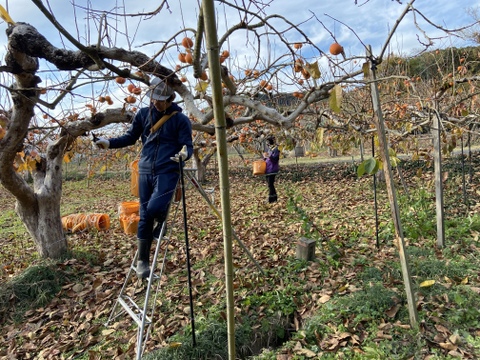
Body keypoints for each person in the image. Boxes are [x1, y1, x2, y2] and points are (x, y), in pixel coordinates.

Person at [94, 77, 193, 279]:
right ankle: (143, 263)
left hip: (168, 169)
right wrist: (108, 143)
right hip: (146, 170)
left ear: (170, 98)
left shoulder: (180, 120)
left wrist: (184, 154)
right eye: (153, 98)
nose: (156, 102)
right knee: (145, 215)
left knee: (155, 208)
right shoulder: (143, 114)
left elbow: (187, 145)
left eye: (160, 99)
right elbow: (130, 137)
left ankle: (161, 222)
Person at [263, 136, 280, 203]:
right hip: (268, 169)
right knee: (270, 184)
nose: (267, 144)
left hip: (272, 169)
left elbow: (275, 159)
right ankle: (274, 198)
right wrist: (264, 158)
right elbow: (268, 159)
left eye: (268, 142)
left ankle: (271, 198)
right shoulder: (270, 149)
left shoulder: (275, 149)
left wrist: (268, 156)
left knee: (270, 184)